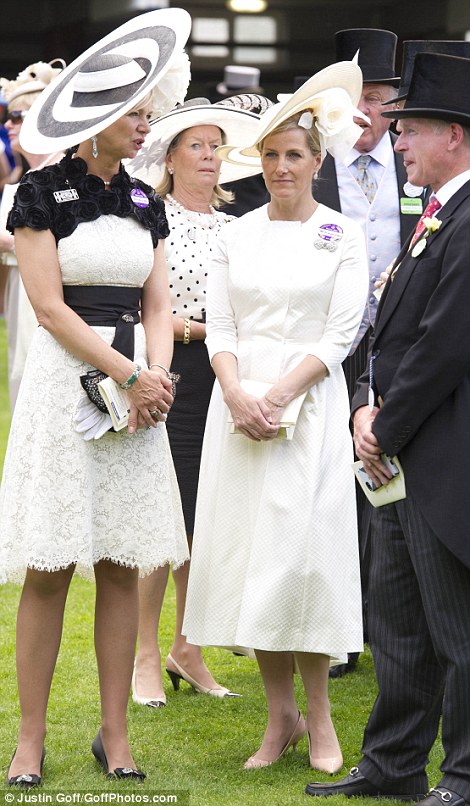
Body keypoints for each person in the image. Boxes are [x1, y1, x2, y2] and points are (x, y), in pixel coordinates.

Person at [0, 8, 192, 785]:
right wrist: (123, 375)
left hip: (136, 388)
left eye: (148, 110)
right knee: (51, 566)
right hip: (66, 383)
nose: (147, 124)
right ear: (101, 117)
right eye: (137, 112)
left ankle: (116, 738)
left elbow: (156, 301)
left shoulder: (148, 202)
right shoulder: (39, 193)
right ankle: (30, 741)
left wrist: (157, 375)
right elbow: (47, 308)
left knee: (120, 560)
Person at [182, 61, 369, 771]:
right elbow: (220, 327)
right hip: (240, 415)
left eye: (294, 155)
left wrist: (280, 395)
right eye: (270, 155)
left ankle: (321, 721)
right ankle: (278, 719)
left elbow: (339, 334)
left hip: (308, 412)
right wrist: (234, 393)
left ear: (318, 161)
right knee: (254, 561)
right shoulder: (239, 233)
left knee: (303, 563)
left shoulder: (340, 235)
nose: (281, 167)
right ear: (255, 162)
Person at [305, 51, 470, 804]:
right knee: (399, 628)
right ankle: (394, 766)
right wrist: (365, 403)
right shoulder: (437, 212)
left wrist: (382, 427)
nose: (397, 141)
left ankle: (462, 777)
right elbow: (392, 331)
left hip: (441, 456)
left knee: (456, 635)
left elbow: (444, 344)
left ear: (455, 138)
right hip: (401, 450)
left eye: (412, 130)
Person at [126, 94, 268, 706]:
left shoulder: (239, 228)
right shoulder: (150, 217)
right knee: (166, 516)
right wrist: (200, 330)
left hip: (227, 377)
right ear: (171, 157)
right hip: (171, 371)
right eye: (197, 146)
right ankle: (143, 658)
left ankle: (189, 647)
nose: (210, 156)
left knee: (209, 518)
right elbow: (142, 306)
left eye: (216, 146)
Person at [314, 28, 426, 678]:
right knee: (331, 485)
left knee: (393, 484)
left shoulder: (414, 171)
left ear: (395, 108)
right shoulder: (315, 165)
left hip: (404, 348)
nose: (364, 115)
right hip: (329, 350)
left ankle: (395, 621)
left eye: (378, 101)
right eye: (352, 100)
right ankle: (341, 630)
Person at [0, 59, 66, 411]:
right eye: (8, 117)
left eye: (18, 116)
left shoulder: (61, 173)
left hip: (50, 297)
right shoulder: (17, 184)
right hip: (18, 297)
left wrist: (11, 243)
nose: (9, 125)